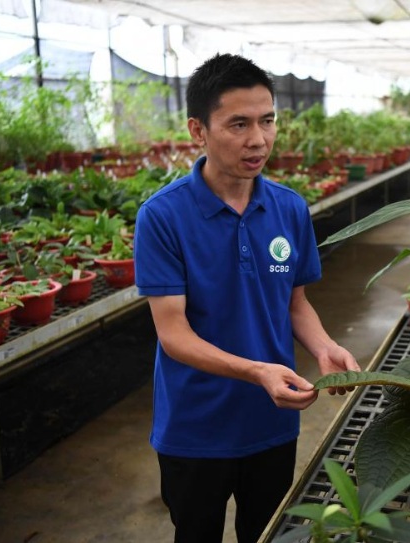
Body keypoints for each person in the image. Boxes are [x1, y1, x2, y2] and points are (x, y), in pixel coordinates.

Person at [133, 53, 360, 543]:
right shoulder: (163, 217)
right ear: (199, 130)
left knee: (267, 532)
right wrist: (257, 371)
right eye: (238, 124)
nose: (258, 139)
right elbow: (173, 335)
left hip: (272, 423)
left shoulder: (289, 207)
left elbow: (295, 303)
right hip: (195, 428)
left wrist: (323, 348)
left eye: (267, 120)